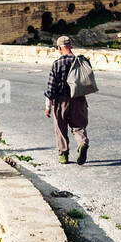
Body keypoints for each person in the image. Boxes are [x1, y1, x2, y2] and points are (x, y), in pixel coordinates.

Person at [44, 35, 89, 165]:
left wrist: (48, 106)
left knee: (60, 128)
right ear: (71, 46)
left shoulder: (57, 64)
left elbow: (51, 88)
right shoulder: (80, 61)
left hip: (61, 100)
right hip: (79, 99)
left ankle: (64, 154)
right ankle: (82, 143)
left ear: (59, 48)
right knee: (79, 127)